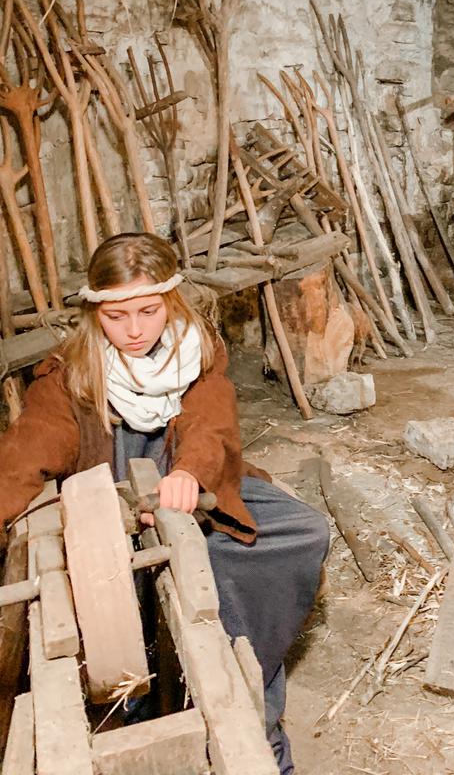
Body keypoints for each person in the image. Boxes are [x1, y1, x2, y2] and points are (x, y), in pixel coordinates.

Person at [0, 232, 329, 774]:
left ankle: (240, 680)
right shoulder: (72, 373)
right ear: (96, 312)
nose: (134, 330)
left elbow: (211, 423)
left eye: (148, 312)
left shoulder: (194, 349)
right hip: (114, 513)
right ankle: (159, 702)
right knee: (133, 597)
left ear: (170, 303)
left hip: (192, 488)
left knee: (300, 534)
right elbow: (25, 454)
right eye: (116, 316)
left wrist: (189, 473)